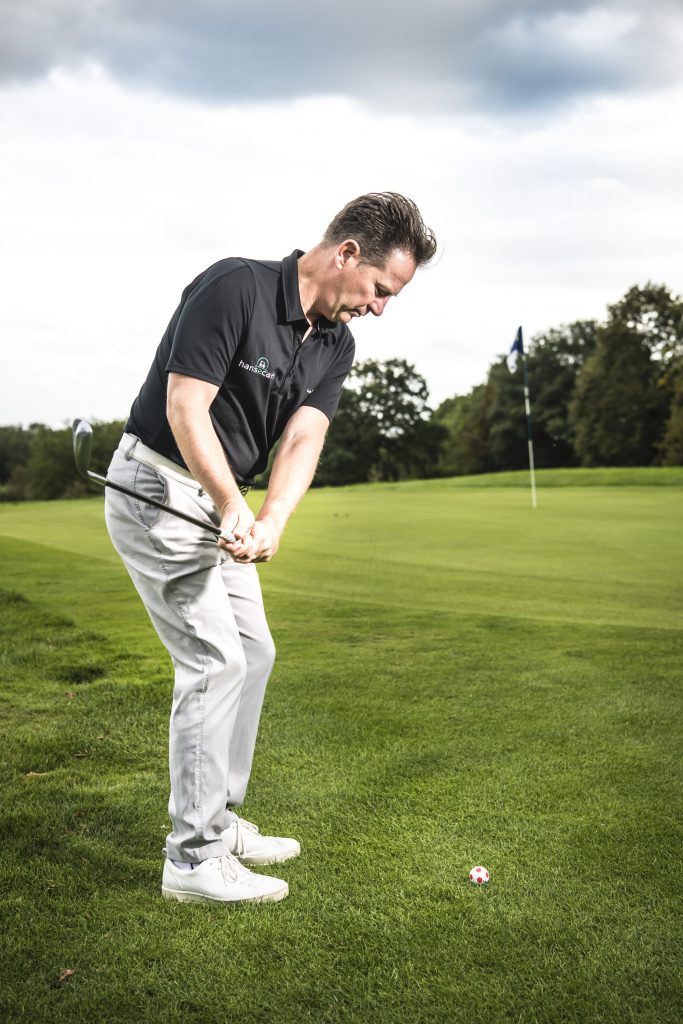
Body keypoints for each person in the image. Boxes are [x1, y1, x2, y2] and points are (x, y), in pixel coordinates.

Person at [104, 192, 437, 905]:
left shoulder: (335, 343)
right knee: (213, 659)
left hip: (216, 501)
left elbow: (303, 436)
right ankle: (191, 861)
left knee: (253, 652)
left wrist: (272, 518)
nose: (380, 309)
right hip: (159, 486)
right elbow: (184, 405)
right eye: (381, 290)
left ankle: (217, 824)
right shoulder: (237, 287)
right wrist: (231, 504)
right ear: (346, 254)